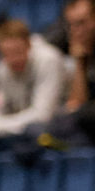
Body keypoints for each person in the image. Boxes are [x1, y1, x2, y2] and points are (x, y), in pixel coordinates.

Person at [0, 19, 69, 153]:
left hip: (60, 126)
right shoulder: (2, 67)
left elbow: (43, 115)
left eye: (18, 52)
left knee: (31, 135)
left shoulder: (48, 60)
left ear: (29, 45)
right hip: (26, 127)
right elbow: (0, 109)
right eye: (7, 54)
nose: (13, 59)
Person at [38, 0, 95, 149]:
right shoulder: (83, 52)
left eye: (81, 23)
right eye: (71, 25)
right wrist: (80, 62)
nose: (76, 31)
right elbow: (76, 103)